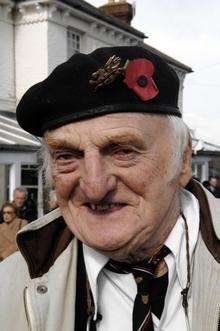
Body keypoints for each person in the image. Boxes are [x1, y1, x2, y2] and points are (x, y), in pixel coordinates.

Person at [0, 46, 219, 331]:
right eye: (67, 156)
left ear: (183, 160)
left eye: (123, 151)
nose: (94, 187)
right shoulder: (9, 288)